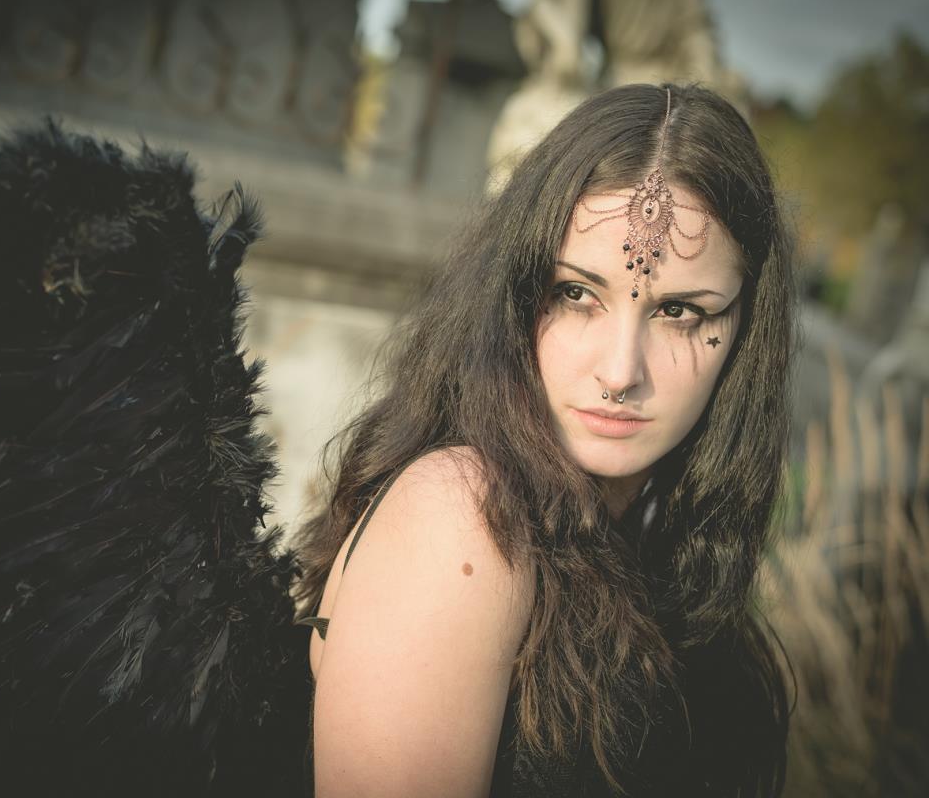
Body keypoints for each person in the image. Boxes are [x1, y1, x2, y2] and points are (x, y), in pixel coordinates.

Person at [289, 82, 795, 797]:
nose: (620, 372)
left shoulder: (656, 536)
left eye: (680, 311)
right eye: (576, 295)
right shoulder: (465, 517)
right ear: (516, 294)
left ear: (745, 329)